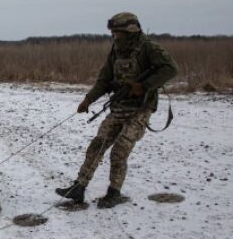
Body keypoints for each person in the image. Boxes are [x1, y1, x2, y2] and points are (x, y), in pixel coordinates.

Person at [57, 12, 178, 208]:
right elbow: (104, 79)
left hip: (140, 109)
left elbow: (171, 69)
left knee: (120, 150)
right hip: (119, 107)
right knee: (98, 145)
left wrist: (145, 85)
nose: (113, 36)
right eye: (112, 32)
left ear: (130, 31)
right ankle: (78, 187)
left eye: (116, 32)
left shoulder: (149, 48)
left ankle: (114, 192)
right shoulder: (116, 50)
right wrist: (88, 100)